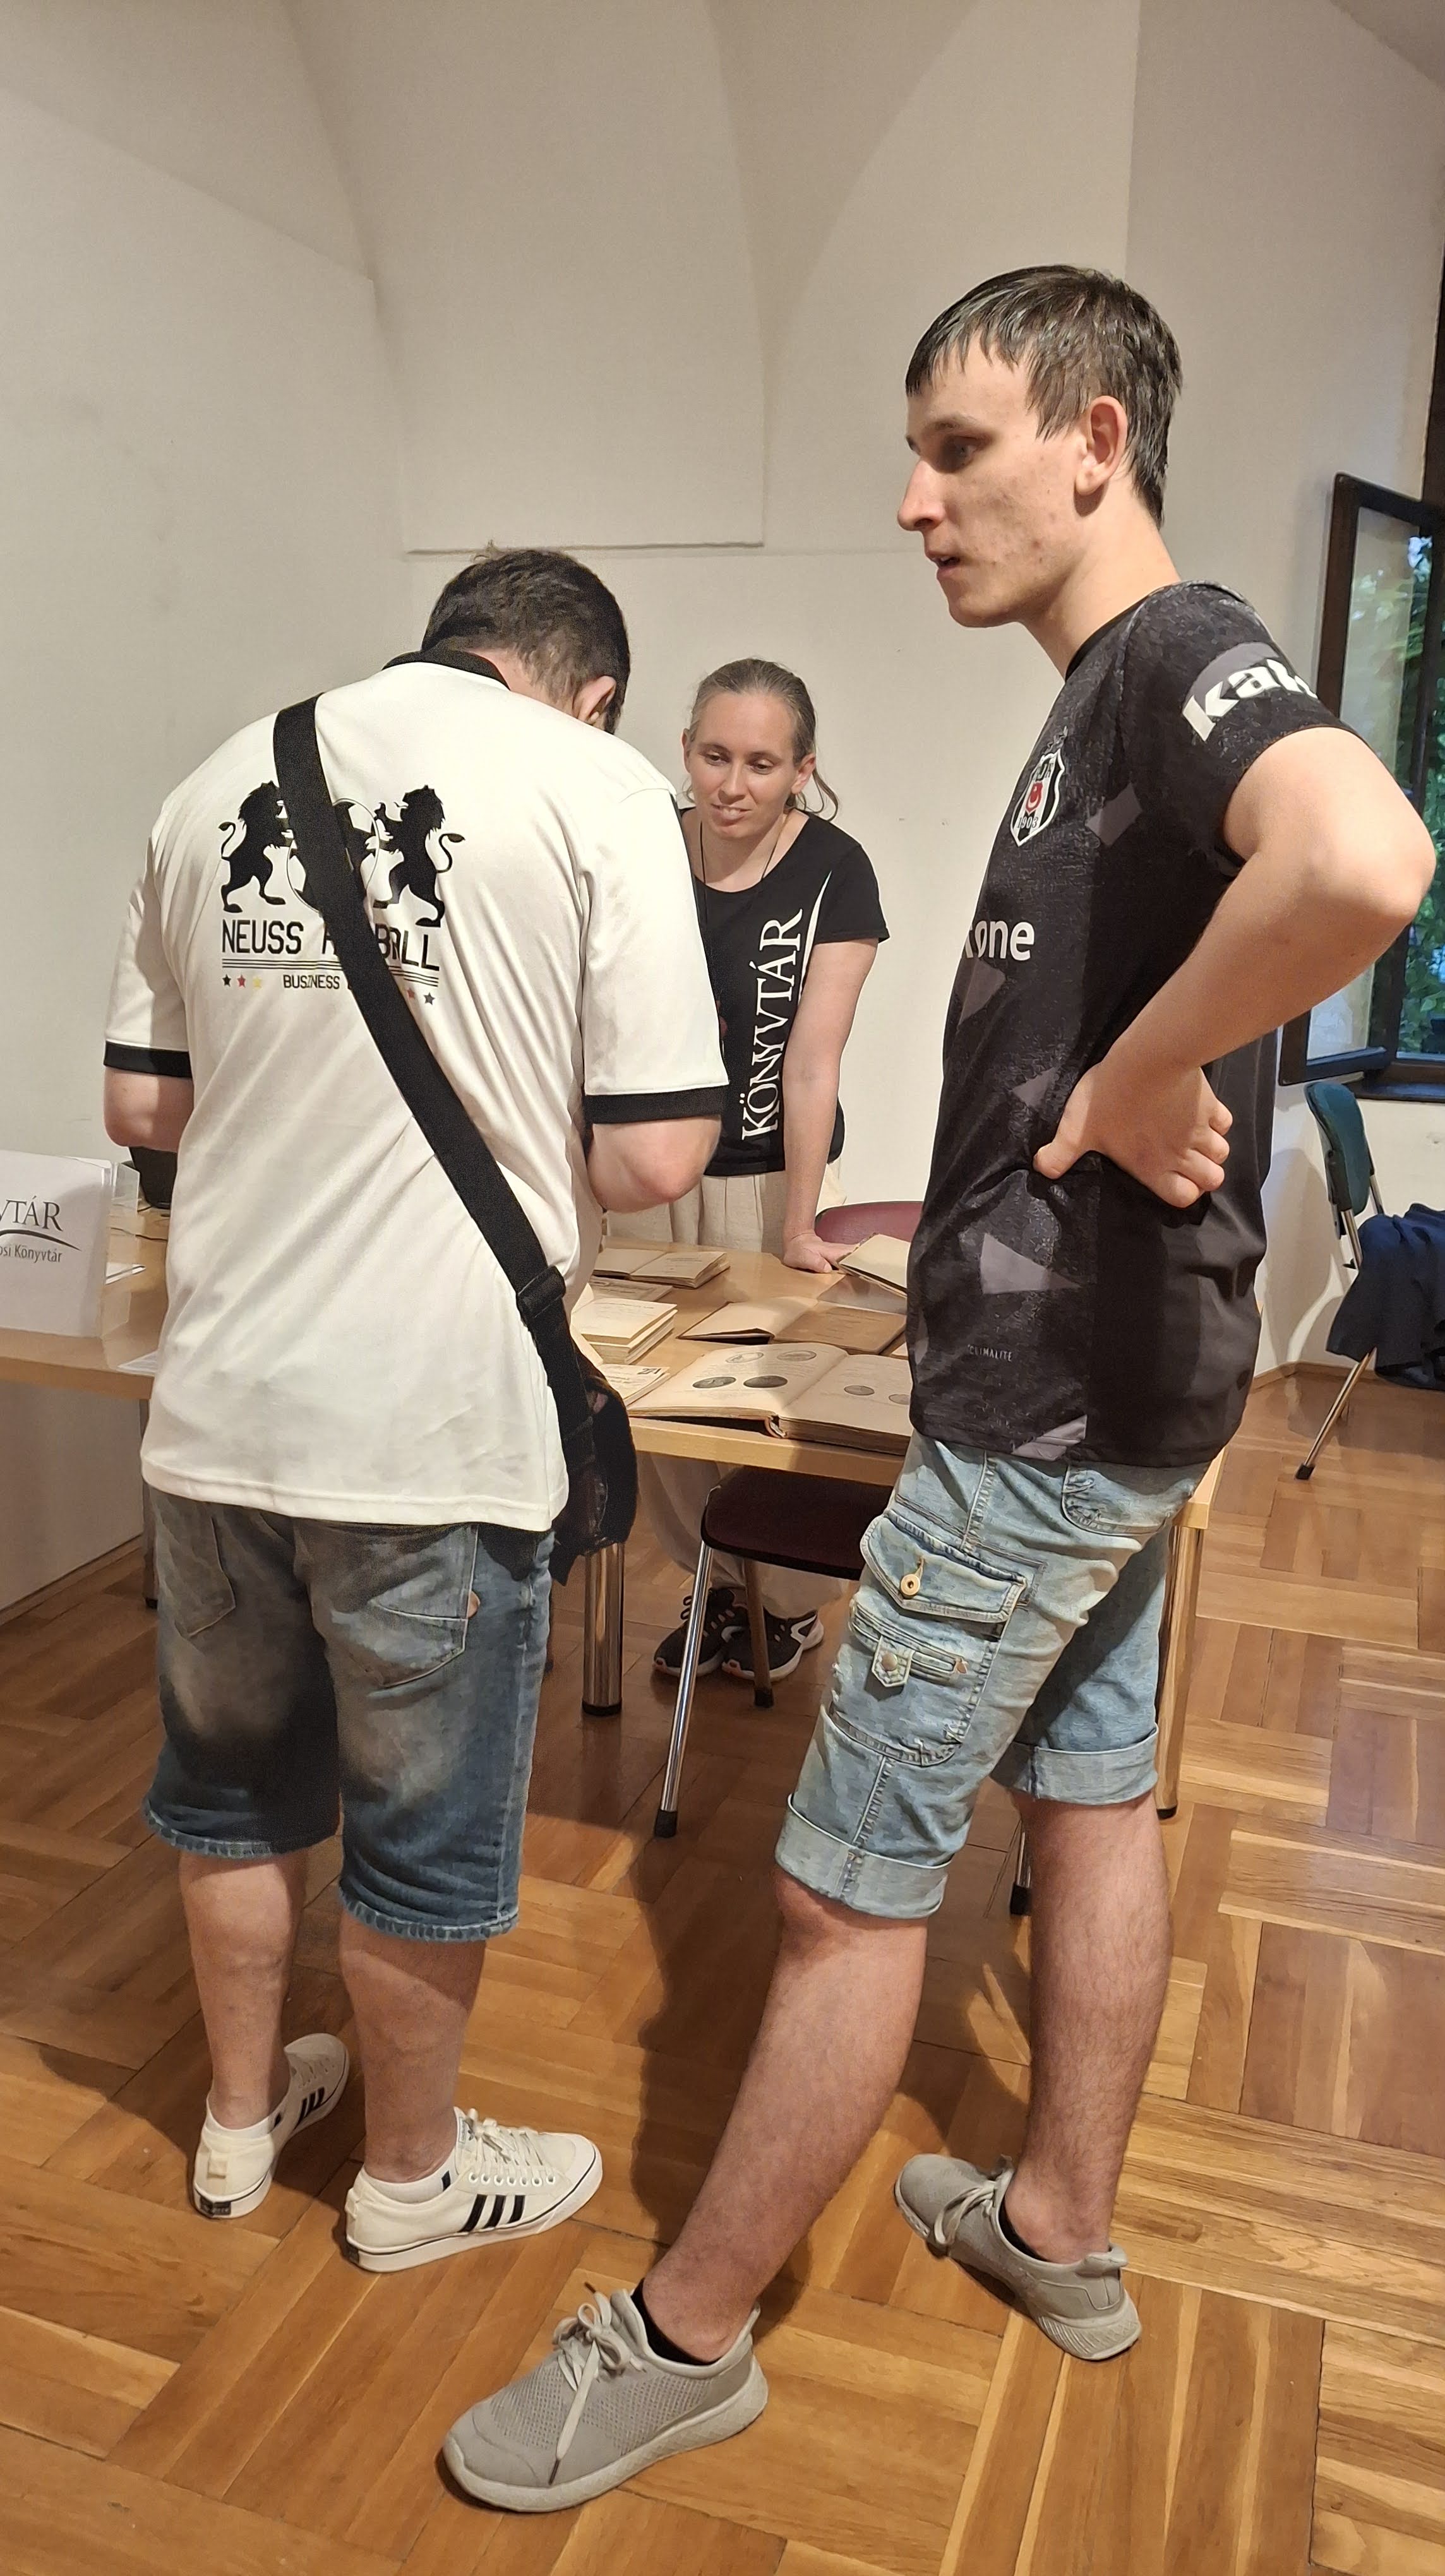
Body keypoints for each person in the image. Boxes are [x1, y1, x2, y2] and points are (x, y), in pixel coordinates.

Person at [445, 270, 1436, 2506]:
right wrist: (1129, 1066)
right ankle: (1058, 2227)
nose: (914, 499)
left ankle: (688, 2335)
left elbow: (1369, 856)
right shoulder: (1101, 693)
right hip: (1106, 1400)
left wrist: (1146, 1066)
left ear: (1094, 440)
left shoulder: (1173, 654)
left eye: (958, 448)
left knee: (839, 1888)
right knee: (1088, 1803)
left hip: (1046, 1422)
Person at [102, 547, 726, 2271]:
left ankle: (238, 2127)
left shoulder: (215, 778)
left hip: (218, 1408)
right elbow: (657, 1158)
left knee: (229, 1795)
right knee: (421, 1834)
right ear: (595, 693)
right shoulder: (600, 788)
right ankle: (409, 2178)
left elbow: (141, 1110)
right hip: (433, 1427)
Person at [637, 660, 887, 1686]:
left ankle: (779, 1606)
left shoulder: (836, 869)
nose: (731, 785)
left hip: (766, 1174)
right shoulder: (645, 845)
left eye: (760, 764)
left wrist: (798, 1222)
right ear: (685, 749)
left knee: (761, 1400)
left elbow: (812, 1061)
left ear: (802, 771)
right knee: (656, 1406)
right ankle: (714, 1582)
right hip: (649, 1169)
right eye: (713, 756)